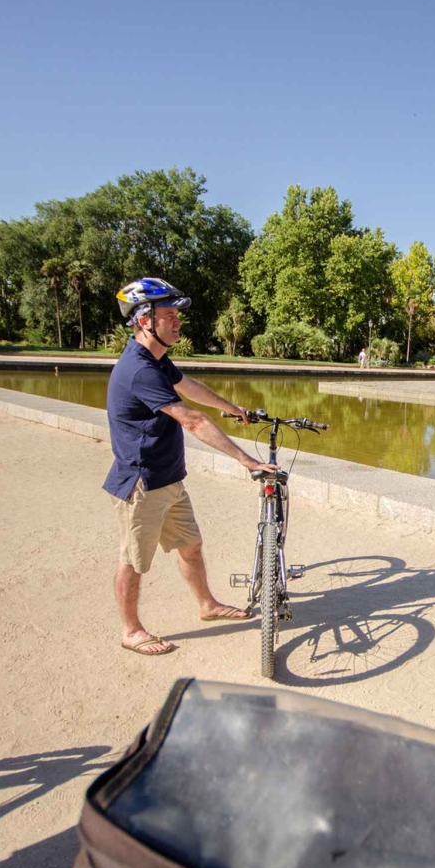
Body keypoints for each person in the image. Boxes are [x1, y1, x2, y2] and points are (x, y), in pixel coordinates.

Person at [105, 277, 277, 656]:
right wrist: (246, 460)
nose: (178, 321)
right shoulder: (139, 369)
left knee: (191, 547)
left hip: (167, 479)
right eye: (169, 315)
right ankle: (131, 631)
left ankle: (206, 604)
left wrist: (232, 407)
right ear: (144, 320)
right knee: (133, 561)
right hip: (142, 483)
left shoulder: (157, 360)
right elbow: (193, 420)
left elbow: (189, 386)